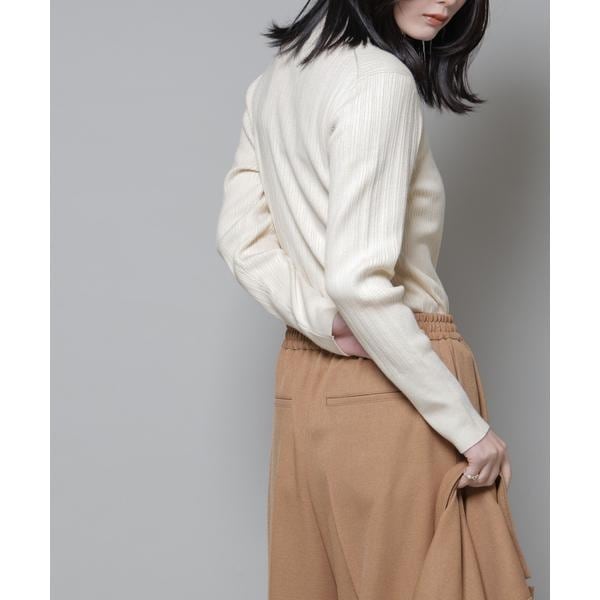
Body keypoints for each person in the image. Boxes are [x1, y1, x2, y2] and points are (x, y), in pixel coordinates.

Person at [216, 1, 534, 598]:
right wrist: (467, 427)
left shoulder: (273, 83)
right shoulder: (379, 81)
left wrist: (321, 321)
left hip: (305, 384)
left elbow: (240, 238)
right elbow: (357, 281)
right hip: (396, 380)